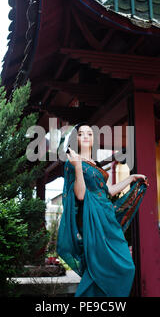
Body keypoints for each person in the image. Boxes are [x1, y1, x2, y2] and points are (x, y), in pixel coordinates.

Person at [57, 123, 149, 297]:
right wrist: (77, 166)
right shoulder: (72, 163)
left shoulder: (96, 164)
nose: (85, 136)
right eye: (81, 133)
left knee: (126, 266)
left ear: (93, 139)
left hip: (108, 218)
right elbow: (81, 195)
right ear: (75, 138)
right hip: (91, 221)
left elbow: (109, 191)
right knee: (97, 266)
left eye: (89, 134)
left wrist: (131, 178)